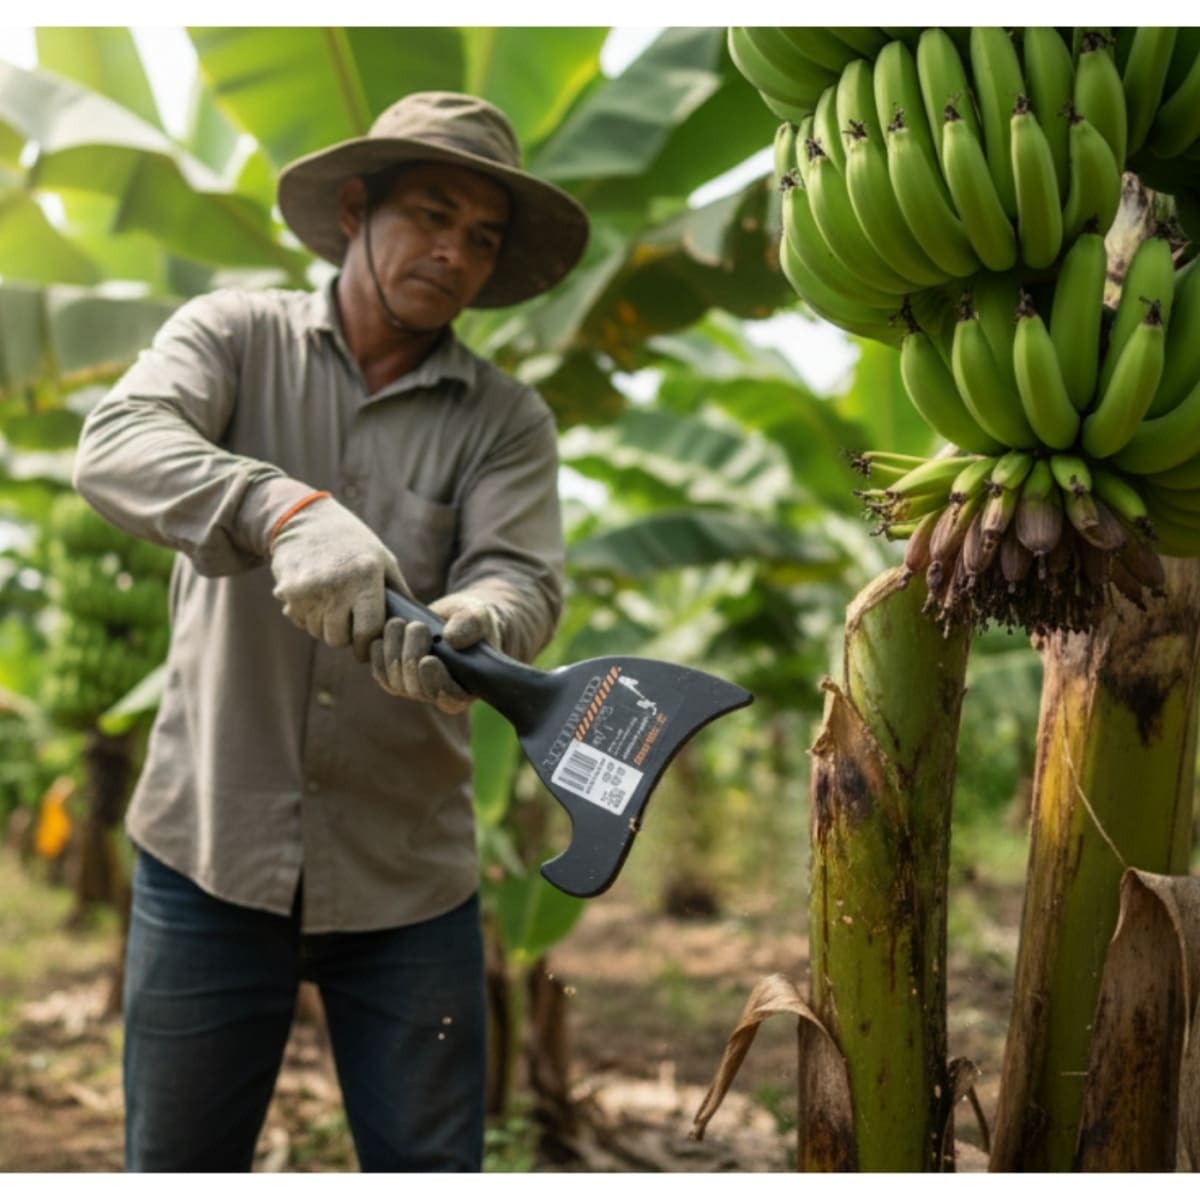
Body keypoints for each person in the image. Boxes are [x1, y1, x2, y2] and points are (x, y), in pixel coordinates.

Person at [72, 91, 589, 1173]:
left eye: (482, 238)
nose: (453, 253)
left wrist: (480, 620)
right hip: (210, 855)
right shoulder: (232, 335)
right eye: (432, 215)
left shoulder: (506, 421)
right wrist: (282, 509)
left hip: (407, 877)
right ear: (356, 209)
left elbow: (522, 577)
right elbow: (117, 444)